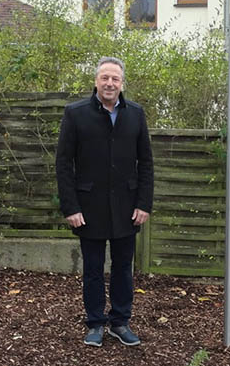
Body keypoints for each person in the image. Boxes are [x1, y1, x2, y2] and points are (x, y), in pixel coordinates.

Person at [55, 56, 153, 347]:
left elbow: (146, 163)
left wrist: (144, 203)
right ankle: (95, 323)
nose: (110, 83)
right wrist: (70, 207)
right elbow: (63, 164)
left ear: (122, 83)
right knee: (93, 269)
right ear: (96, 81)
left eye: (115, 79)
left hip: (127, 207)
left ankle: (120, 322)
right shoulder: (76, 114)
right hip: (88, 207)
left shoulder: (136, 114)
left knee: (124, 269)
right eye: (105, 78)